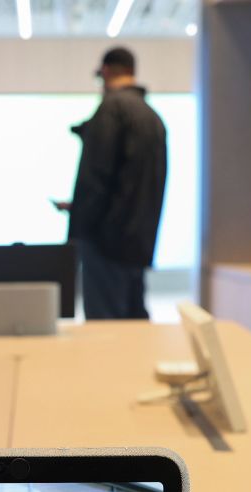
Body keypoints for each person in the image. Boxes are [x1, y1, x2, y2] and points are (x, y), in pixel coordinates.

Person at [54, 47, 167, 320]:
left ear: (105, 72)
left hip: (106, 247)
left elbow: (96, 179)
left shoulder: (110, 110)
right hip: (137, 244)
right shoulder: (152, 118)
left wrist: (78, 227)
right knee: (133, 331)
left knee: (104, 336)